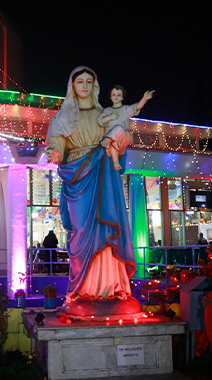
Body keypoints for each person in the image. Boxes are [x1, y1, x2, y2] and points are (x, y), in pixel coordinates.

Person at [45, 66, 138, 303]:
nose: (84, 86)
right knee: (81, 230)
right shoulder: (63, 116)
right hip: (77, 175)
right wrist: (55, 152)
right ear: (72, 86)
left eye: (89, 81)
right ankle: (83, 288)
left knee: (107, 226)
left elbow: (117, 139)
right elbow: (56, 142)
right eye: (80, 82)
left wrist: (121, 147)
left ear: (94, 86)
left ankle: (111, 286)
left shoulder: (104, 113)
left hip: (104, 171)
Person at [98, 85, 154, 170]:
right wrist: (109, 117)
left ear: (122, 97)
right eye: (113, 95)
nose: (116, 97)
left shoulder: (125, 109)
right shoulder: (107, 110)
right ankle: (115, 162)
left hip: (121, 137)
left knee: (119, 128)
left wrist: (144, 99)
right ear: (110, 97)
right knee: (113, 144)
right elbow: (100, 121)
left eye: (119, 95)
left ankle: (107, 140)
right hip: (111, 142)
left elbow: (136, 107)